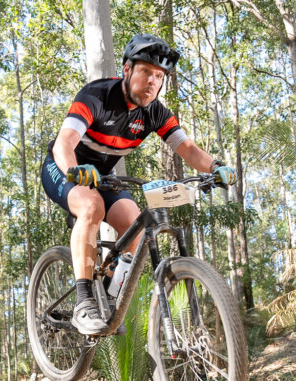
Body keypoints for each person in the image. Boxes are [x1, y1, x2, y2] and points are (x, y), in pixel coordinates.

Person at [41, 33, 239, 335]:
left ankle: (107, 298)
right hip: (64, 168)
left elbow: (187, 149)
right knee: (91, 206)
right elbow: (63, 144)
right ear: (127, 70)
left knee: (135, 226)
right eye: (146, 71)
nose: (152, 81)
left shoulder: (155, 112)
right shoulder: (97, 96)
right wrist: (74, 170)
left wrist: (215, 167)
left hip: (104, 178)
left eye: (159, 76)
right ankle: (84, 303)